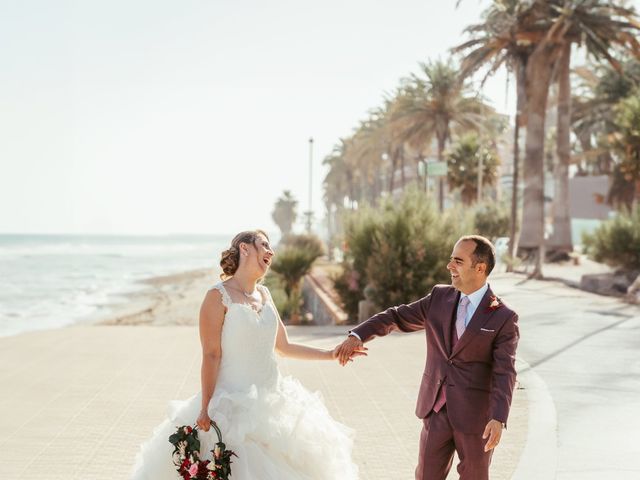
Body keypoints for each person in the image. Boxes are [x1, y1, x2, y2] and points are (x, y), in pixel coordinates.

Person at [131, 230, 362, 479]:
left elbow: (283, 346)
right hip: (231, 407)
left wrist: (330, 354)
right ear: (244, 248)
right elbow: (211, 355)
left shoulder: (265, 295)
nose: (270, 251)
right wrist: (206, 407)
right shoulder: (217, 297)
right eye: (264, 244)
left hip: (274, 406)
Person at [336, 235, 519, 480]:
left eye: (458, 261)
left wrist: (498, 417)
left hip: (477, 419)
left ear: (480, 268)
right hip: (436, 409)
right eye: (450, 259)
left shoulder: (503, 316)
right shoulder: (439, 298)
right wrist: (358, 335)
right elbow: (395, 317)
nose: (449, 266)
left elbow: (504, 371)